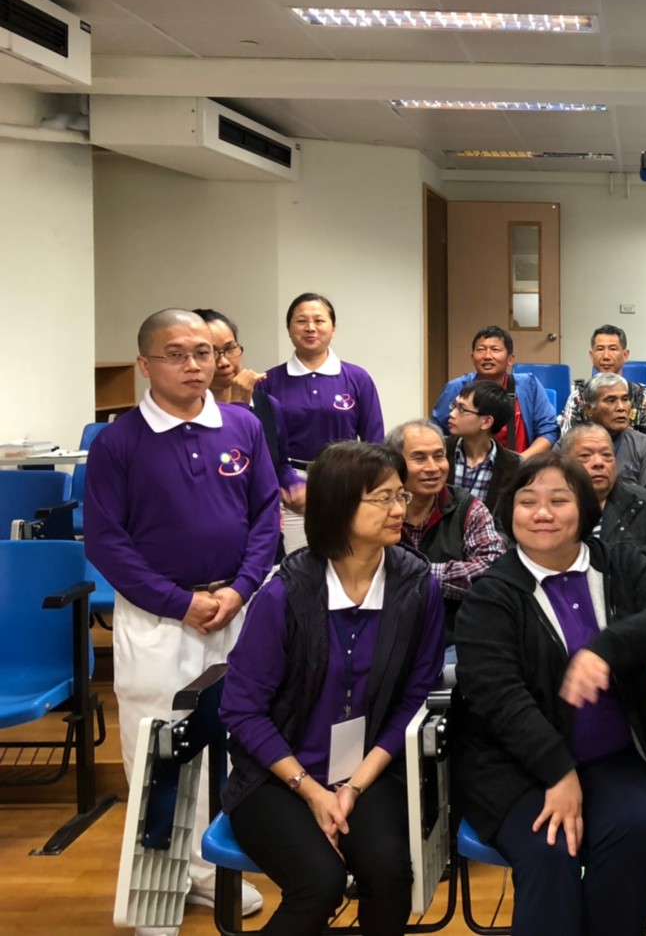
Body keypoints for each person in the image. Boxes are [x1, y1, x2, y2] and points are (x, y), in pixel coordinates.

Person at [85, 308, 281, 928]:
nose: (194, 365)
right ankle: (159, 886)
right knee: (160, 748)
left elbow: (266, 516)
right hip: (158, 618)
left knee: (235, 742)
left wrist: (241, 589)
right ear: (145, 365)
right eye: (176, 354)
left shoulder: (242, 425)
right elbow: (106, 542)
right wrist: (180, 602)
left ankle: (208, 871)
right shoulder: (118, 441)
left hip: (235, 611)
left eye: (203, 352)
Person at [451, 453, 646, 936]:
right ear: (510, 512)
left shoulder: (619, 563)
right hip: (513, 767)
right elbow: (499, 699)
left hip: (612, 759)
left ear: (584, 509)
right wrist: (559, 772)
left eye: (558, 501)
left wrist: (604, 650)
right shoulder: (491, 593)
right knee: (550, 851)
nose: (542, 513)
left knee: (633, 832)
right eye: (528, 502)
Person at [220, 442, 445, 936]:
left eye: (400, 495)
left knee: (389, 873)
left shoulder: (416, 586)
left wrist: (356, 785)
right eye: (383, 498)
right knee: (318, 882)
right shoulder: (284, 594)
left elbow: (414, 699)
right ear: (339, 506)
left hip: (369, 772)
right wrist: (312, 791)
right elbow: (242, 710)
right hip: (276, 775)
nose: (399, 509)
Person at [387, 419, 506, 635]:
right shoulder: (377, 509)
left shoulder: (468, 508)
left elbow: (492, 570)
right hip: (388, 632)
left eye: (439, 456)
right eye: (419, 458)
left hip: (453, 635)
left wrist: (415, 573)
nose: (433, 468)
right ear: (394, 463)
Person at [196, 306, 306, 518]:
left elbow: (279, 464)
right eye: (210, 352)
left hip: (266, 525)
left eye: (230, 349)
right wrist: (239, 406)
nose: (224, 362)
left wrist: (294, 486)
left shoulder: (267, 405)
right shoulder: (188, 413)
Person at [257, 292, 385, 462]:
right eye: (301, 321)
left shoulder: (358, 378)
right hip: (290, 475)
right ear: (288, 329)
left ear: (333, 329)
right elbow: (261, 444)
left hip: (345, 473)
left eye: (319, 321)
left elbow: (375, 441)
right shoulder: (267, 382)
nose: (310, 328)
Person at [562, 424, 646, 587]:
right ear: (564, 463)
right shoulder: (551, 507)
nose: (599, 463)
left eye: (607, 455)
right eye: (585, 456)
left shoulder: (640, 501)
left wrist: (617, 569)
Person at [430, 325, 558, 458]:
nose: (487, 356)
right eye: (481, 350)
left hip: (522, 464)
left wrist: (520, 462)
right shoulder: (456, 388)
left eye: (495, 350)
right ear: (472, 358)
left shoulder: (529, 385)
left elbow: (548, 431)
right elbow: (437, 432)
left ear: (510, 359)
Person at [559, 324, 646, 445]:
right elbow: (568, 446)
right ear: (591, 356)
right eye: (600, 349)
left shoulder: (643, 397)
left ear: (625, 355)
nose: (606, 356)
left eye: (613, 349)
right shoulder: (578, 398)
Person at [580, 373, 646, 497]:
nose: (621, 407)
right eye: (611, 400)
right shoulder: (568, 446)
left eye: (625, 399)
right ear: (588, 409)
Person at [446, 379, 523, 513]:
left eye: (462, 409)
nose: (452, 414)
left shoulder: (514, 465)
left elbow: (506, 518)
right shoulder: (440, 452)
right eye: (454, 406)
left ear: (486, 422)